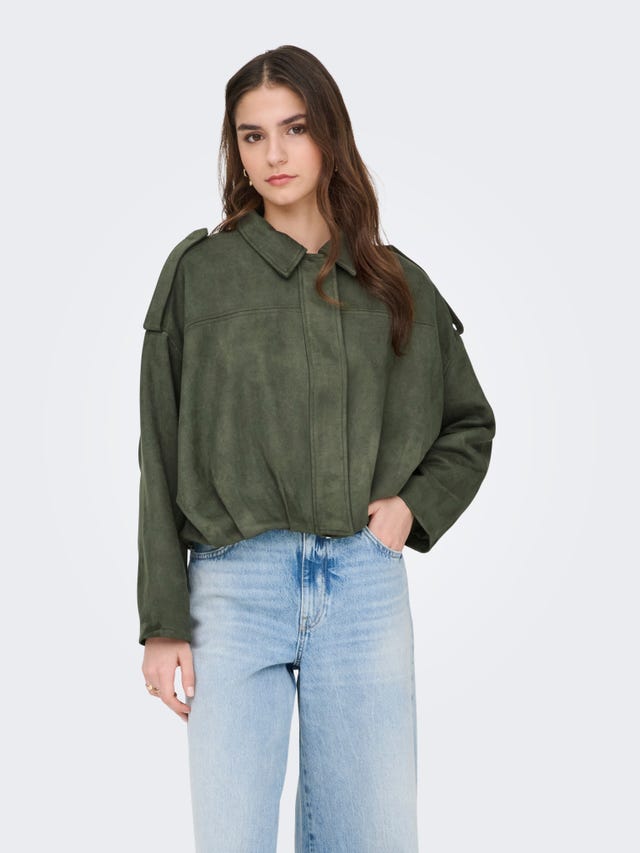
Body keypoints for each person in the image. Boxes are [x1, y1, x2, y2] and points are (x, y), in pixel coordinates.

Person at [137, 44, 496, 853]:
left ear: (329, 135)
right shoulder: (200, 276)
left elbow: (468, 423)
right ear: (236, 150)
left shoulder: (394, 281)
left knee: (374, 838)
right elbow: (158, 449)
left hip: (362, 586)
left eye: (294, 129)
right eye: (253, 135)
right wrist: (163, 622)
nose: (275, 153)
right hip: (233, 588)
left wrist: (410, 509)